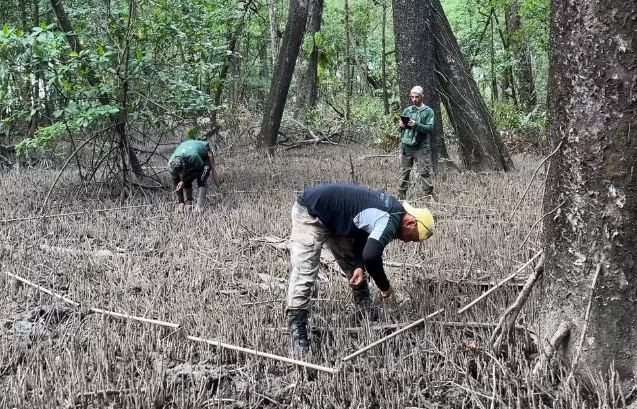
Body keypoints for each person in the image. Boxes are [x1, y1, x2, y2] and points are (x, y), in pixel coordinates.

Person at [285, 182, 435, 356]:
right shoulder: (391, 219)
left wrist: (358, 265)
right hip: (310, 213)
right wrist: (385, 286)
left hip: (335, 219)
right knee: (306, 269)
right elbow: (372, 257)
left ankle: (363, 305)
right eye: (412, 238)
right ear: (411, 222)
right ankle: (297, 324)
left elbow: (362, 231)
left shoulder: (392, 209)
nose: (407, 241)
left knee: (352, 264)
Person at [397, 85, 435, 200]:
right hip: (406, 146)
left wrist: (416, 124)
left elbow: (430, 128)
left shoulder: (428, 111)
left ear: (421, 97)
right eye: (412, 97)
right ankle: (401, 197)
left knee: (424, 172)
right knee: (404, 172)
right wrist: (401, 126)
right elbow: (401, 130)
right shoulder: (407, 110)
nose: (414, 99)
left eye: (417, 97)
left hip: (421, 147)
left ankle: (428, 197)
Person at [167, 140, 219, 212]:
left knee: (202, 178)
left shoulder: (193, 156)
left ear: (183, 164)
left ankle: (199, 207)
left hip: (204, 155)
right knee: (184, 177)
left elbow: (198, 172)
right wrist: (181, 201)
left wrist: (184, 182)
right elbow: (176, 182)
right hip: (189, 152)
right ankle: (189, 202)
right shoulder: (171, 164)